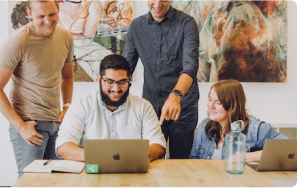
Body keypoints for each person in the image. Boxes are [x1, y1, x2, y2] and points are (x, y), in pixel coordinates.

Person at [0, 0, 74, 177]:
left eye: (52, 14)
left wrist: (67, 106)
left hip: (56, 122)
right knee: (30, 181)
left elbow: (67, 76)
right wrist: (20, 126)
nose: (48, 21)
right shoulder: (17, 42)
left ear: (58, 8)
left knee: (55, 180)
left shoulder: (65, 37)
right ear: (29, 13)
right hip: (30, 125)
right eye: (41, 16)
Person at [122, 0, 200, 159]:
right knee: (150, 161)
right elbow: (125, 69)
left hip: (183, 107)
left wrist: (176, 95)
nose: (157, 4)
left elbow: (190, 65)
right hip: (151, 108)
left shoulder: (187, 23)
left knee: (181, 164)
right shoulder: (137, 27)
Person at [56, 54, 166, 162]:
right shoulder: (81, 105)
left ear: (129, 79)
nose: (116, 89)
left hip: (132, 172)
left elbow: (158, 144)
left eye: (122, 82)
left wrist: (141, 157)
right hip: (91, 172)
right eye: (110, 82)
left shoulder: (143, 107)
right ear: (99, 79)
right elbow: (63, 146)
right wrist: (102, 157)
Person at [189, 79, 287, 161]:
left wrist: (246, 156)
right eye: (210, 99)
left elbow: (288, 150)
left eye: (218, 102)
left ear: (233, 105)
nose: (211, 106)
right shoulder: (205, 125)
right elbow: (194, 161)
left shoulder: (256, 129)